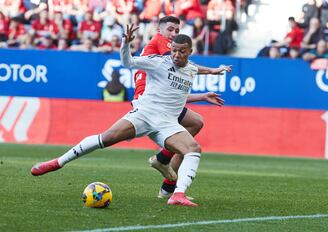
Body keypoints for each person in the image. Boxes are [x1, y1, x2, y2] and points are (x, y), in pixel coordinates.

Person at [31, 25, 230, 207]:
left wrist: (213, 75)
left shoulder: (191, 69)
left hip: (168, 123)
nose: (176, 55)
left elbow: (194, 73)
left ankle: (178, 195)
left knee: (193, 149)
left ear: (190, 52)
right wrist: (126, 44)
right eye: (174, 50)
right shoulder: (158, 62)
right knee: (106, 138)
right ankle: (58, 162)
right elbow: (128, 62)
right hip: (144, 115)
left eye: (182, 51)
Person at [132, 15, 231, 199]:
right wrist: (212, 70)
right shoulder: (162, 43)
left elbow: (182, 79)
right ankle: (165, 170)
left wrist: (202, 93)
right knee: (190, 138)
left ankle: (167, 181)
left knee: (195, 123)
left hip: (159, 96)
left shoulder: (164, 53)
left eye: (177, 30)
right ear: (159, 30)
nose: (173, 34)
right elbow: (184, 60)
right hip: (150, 101)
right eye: (170, 29)